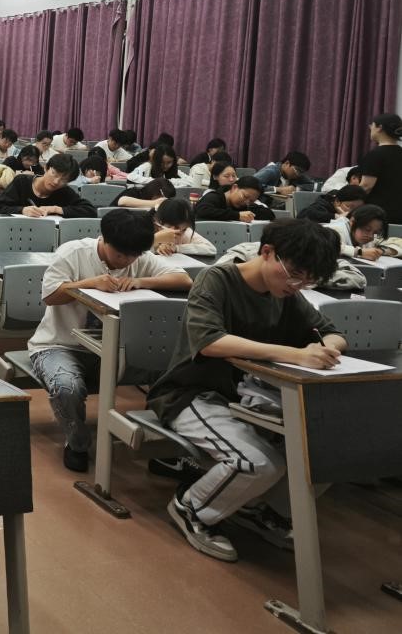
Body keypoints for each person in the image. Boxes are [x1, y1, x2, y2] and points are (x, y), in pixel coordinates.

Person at [146, 220, 345, 562]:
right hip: (192, 393)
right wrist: (296, 354)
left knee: (329, 450)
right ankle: (191, 506)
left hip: (248, 396)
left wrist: (327, 349)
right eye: (295, 274)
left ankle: (259, 509)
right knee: (257, 463)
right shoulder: (217, 279)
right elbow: (211, 342)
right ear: (267, 252)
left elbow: (331, 332)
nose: (298, 285)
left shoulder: (287, 294)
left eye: (308, 280)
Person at [30, 211, 191, 471]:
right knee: (66, 387)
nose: (126, 261)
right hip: (59, 345)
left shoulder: (139, 256)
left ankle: (160, 447)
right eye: (120, 255)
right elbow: (50, 295)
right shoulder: (73, 253)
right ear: (104, 238)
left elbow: (184, 280)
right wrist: (90, 283)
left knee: (173, 372)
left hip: (117, 349)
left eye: (133, 256)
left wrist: (139, 281)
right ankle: (77, 443)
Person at [0, 153, 98, 218]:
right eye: (54, 174)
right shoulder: (21, 182)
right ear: (46, 168)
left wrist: (55, 209)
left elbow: (91, 211)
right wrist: (22, 210)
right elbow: (0, 208)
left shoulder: (64, 191)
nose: (56, 182)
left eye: (63, 180)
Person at [357, 112, 402, 225]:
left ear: (379, 128)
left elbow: (366, 186)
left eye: (372, 125)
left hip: (379, 214)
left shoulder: (376, 155)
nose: (370, 128)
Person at [324, 203, 397, 261]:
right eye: (367, 229)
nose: (371, 236)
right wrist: (359, 252)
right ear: (352, 222)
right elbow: (326, 246)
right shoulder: (334, 229)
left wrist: (381, 251)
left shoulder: (373, 236)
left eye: (376, 232)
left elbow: (396, 243)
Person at [152, 198, 217, 256]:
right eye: (175, 228)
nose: (179, 234)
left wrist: (177, 248)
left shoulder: (185, 232)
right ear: (159, 223)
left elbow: (211, 249)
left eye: (184, 229)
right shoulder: (149, 231)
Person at [193, 176, 273, 223]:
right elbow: (203, 211)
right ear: (235, 188)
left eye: (251, 201)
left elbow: (269, 215)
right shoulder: (214, 197)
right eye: (245, 196)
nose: (246, 202)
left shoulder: (244, 205)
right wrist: (237, 215)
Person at [298, 184, 368, 223]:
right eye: (349, 207)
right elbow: (304, 214)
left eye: (357, 209)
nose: (352, 212)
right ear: (337, 202)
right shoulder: (320, 206)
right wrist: (335, 217)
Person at [127, 144, 191, 185]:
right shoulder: (148, 166)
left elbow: (191, 182)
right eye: (162, 162)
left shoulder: (175, 170)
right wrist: (159, 181)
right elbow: (131, 176)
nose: (165, 166)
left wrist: (171, 181)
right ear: (157, 161)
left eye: (169, 162)